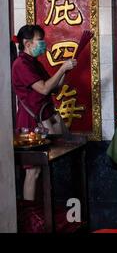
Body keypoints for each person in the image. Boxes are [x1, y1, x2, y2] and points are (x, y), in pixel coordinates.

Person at [11, 25, 77, 201]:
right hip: (31, 122)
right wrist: (62, 69)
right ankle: (30, 216)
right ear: (27, 43)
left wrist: (65, 71)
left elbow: (54, 88)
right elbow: (43, 88)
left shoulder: (34, 63)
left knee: (41, 169)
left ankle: (40, 212)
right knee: (33, 170)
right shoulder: (21, 64)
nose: (43, 43)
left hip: (43, 118)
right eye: (40, 39)